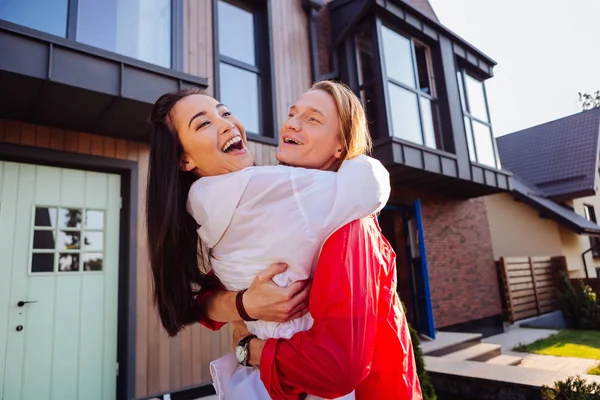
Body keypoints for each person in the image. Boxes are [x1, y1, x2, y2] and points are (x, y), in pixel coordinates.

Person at [146, 81, 392, 399]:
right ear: (184, 160)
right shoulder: (269, 194)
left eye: (313, 119)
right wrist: (244, 305)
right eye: (292, 113)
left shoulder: (212, 205)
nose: (291, 123)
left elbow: (201, 303)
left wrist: (249, 346)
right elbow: (202, 298)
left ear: (340, 146)